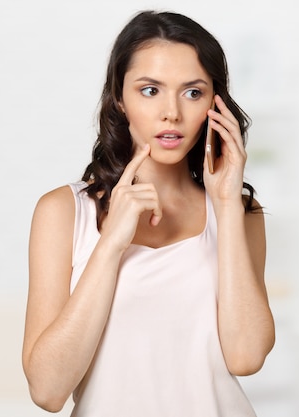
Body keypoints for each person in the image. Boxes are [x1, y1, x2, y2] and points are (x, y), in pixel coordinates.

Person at [21, 10, 275, 416]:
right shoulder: (63, 212)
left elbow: (245, 357)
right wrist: (111, 245)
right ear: (119, 98)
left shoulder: (241, 211)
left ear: (216, 103)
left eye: (193, 92)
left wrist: (226, 205)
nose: (171, 112)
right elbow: (47, 390)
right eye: (150, 90)